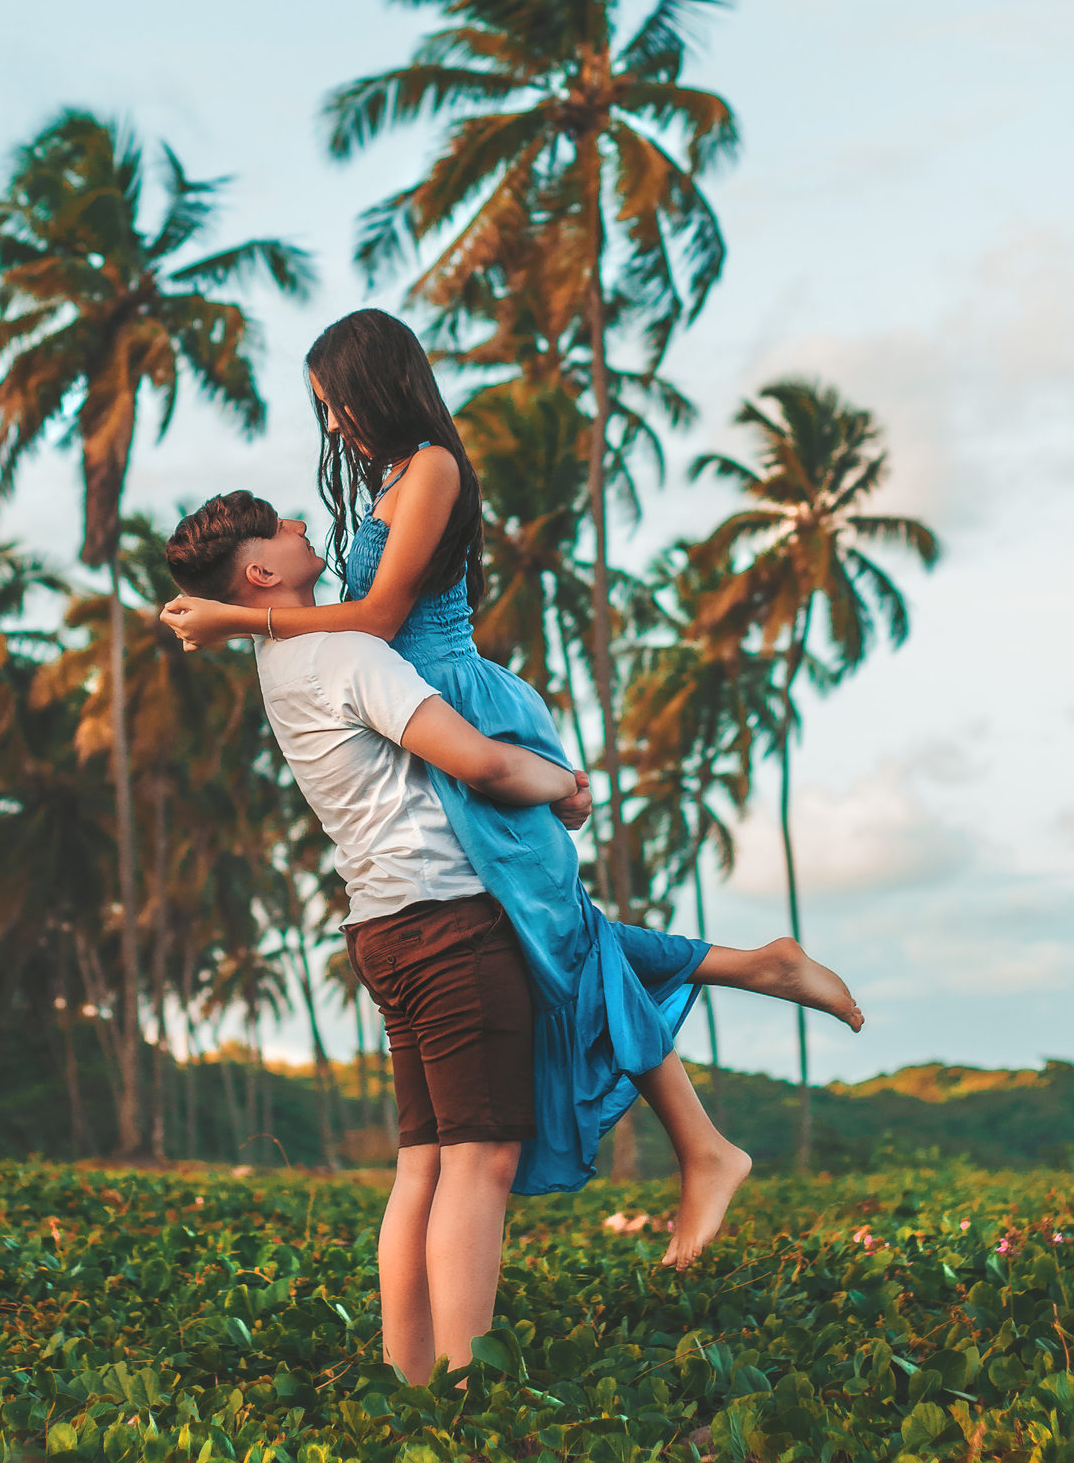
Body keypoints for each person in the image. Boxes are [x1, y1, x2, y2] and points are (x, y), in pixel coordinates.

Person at [160, 312, 864, 1233]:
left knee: (556, 931)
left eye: (334, 405)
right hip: (428, 712)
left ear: (376, 385)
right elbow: (354, 629)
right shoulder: (388, 481)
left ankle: (711, 1122)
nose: (331, 427)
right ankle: (738, 1020)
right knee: (554, 930)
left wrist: (238, 623)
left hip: (459, 707)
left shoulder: (432, 469)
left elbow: (374, 619)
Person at [165, 490, 865, 1378]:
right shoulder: (345, 654)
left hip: (382, 928)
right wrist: (562, 779)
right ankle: (465, 1394)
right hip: (452, 922)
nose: (306, 525)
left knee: (423, 1168)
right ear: (261, 571)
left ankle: (408, 1387)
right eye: (283, 528)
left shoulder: (282, 666)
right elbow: (483, 763)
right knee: (480, 1165)